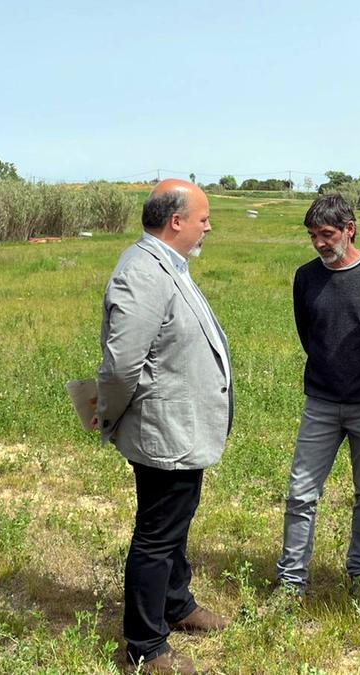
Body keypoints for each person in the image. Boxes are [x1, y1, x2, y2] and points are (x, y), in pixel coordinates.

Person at [96, 179, 233, 674]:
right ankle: (144, 644)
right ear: (176, 222)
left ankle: (177, 604)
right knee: (156, 536)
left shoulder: (168, 264)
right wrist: (108, 416)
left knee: (174, 523)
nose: (208, 226)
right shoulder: (142, 273)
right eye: (203, 218)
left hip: (178, 429)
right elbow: (120, 366)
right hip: (163, 432)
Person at [275, 194, 360, 603]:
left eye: (326, 233)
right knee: (301, 493)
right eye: (312, 235)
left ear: (349, 228)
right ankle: (291, 582)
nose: (318, 242)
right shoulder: (305, 277)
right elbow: (307, 334)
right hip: (320, 402)